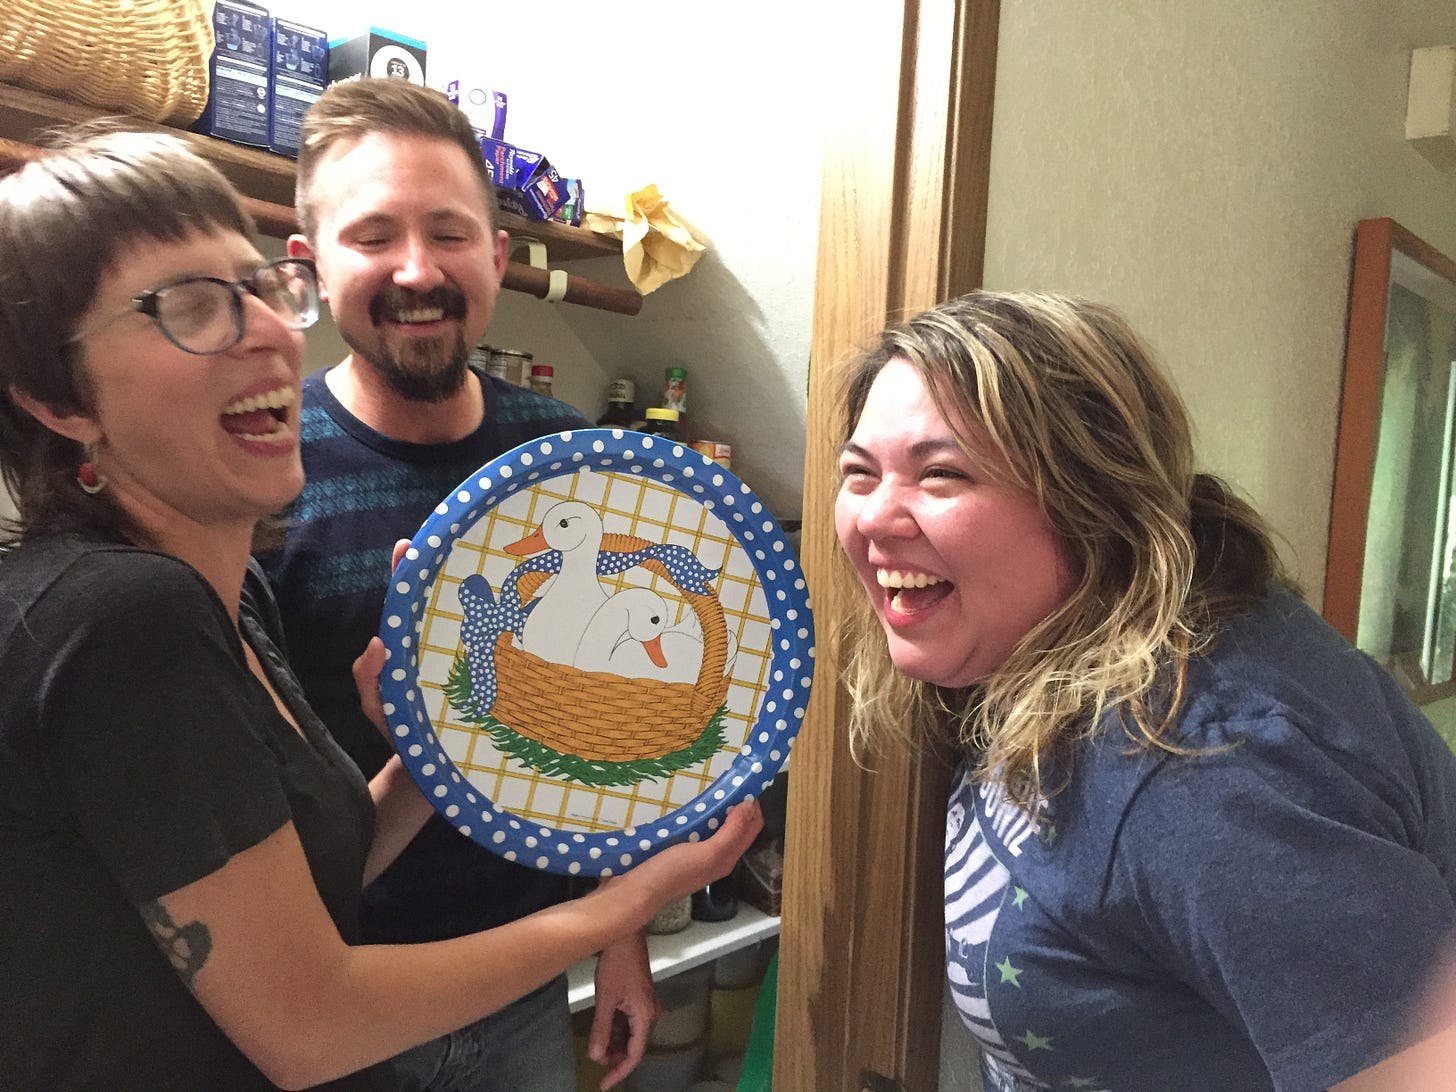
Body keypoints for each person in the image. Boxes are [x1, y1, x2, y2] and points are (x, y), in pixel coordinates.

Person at [0, 126, 761, 1091]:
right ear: (56, 397)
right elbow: (310, 1020)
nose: (269, 329)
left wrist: (437, 734)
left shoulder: (215, 595)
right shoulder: (123, 613)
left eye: (258, 292)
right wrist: (632, 903)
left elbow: (304, 873)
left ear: (497, 255)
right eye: (188, 306)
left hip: (496, 994)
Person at [832, 290, 1456, 1091]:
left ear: (1092, 502)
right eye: (860, 472)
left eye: (941, 474)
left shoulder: (1211, 772)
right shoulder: (1044, 644)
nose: (876, 517)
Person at [259, 77, 655, 1090]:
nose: (417, 269)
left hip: (523, 977)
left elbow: (611, 733)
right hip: (328, 1001)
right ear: (307, 266)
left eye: (447, 232)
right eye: (373, 235)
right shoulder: (259, 472)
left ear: (499, 257)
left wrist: (621, 938)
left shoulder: (572, 459)